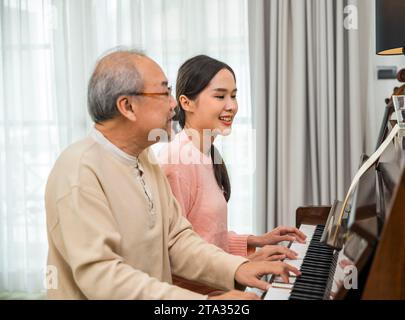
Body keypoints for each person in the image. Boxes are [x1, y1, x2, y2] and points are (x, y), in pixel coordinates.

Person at [44, 49, 300, 300]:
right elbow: (103, 278)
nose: (173, 103)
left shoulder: (144, 159)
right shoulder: (79, 171)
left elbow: (177, 240)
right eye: (164, 92)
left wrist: (238, 268)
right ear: (127, 106)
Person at [158, 55, 306, 294]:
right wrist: (245, 265)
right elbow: (174, 252)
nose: (232, 106)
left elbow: (203, 235)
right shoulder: (177, 163)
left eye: (234, 95)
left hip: (216, 286)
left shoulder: (205, 152)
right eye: (220, 96)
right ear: (186, 102)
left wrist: (254, 242)